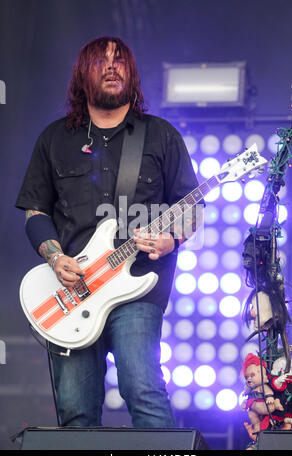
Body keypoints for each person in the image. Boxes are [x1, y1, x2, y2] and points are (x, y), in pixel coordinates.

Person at [16, 36, 203, 428]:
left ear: (132, 75)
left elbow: (192, 206)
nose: (112, 66)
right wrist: (55, 256)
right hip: (71, 289)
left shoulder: (160, 135)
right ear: (83, 74)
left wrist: (172, 239)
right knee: (76, 410)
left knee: (143, 391)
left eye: (120, 60)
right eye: (102, 60)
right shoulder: (54, 139)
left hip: (137, 288)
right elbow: (35, 211)